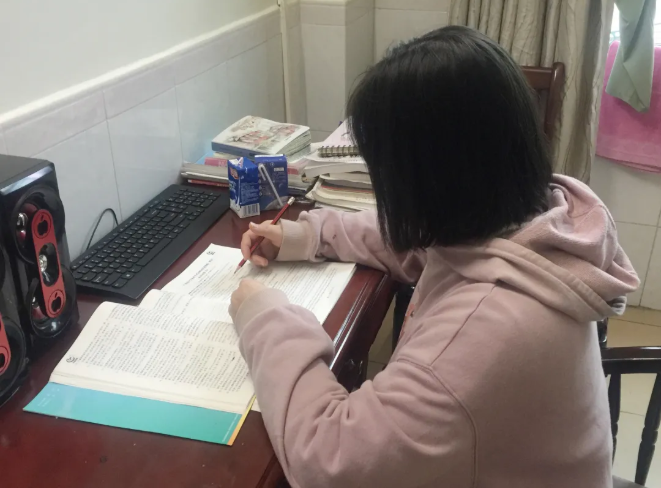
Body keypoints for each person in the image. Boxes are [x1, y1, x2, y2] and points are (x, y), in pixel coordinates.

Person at [228, 26, 638, 488]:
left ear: (429, 181)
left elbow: (327, 460)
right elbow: (426, 248)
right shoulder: (537, 221)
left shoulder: (486, 330)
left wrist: (264, 317)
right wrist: (307, 235)